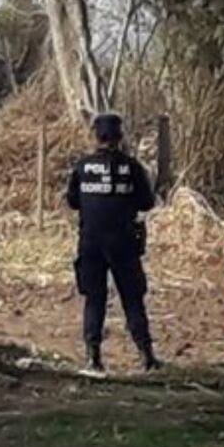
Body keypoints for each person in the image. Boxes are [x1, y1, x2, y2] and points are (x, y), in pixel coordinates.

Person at [66, 113, 161, 377]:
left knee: (94, 299)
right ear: (120, 137)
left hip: (91, 243)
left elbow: (72, 201)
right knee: (132, 299)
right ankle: (147, 356)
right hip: (124, 242)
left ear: (96, 137)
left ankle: (92, 358)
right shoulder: (132, 167)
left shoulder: (82, 167)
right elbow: (147, 202)